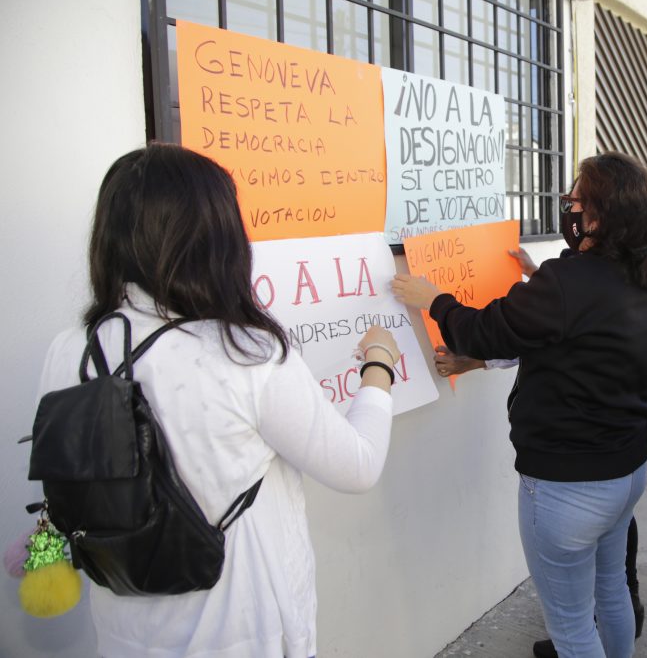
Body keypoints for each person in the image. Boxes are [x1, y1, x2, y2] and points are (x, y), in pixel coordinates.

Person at [35, 143, 400, 658]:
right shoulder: (244, 353)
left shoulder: (71, 349)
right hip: (239, 633)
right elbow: (357, 466)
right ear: (215, 238)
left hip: (123, 630)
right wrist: (378, 367)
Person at [394, 151, 647, 658]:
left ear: (598, 217)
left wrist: (433, 298)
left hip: (566, 488)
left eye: (574, 201)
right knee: (611, 590)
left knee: (571, 629)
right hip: (627, 471)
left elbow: (481, 330)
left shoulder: (568, 286)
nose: (566, 209)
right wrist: (541, 275)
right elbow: (578, 337)